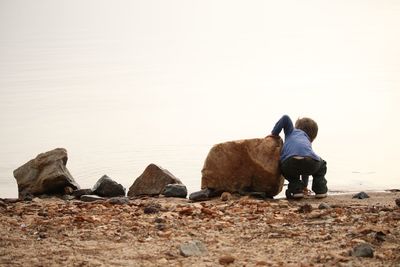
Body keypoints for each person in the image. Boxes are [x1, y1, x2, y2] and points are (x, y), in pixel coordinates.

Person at [269, 115, 327, 199]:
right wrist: (305, 185)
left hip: (289, 163)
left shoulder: (290, 131)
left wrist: (274, 134)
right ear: (312, 136)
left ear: (297, 126)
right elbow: (305, 166)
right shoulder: (305, 139)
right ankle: (320, 190)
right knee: (322, 165)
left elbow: (285, 118)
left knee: (289, 172)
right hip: (310, 162)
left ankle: (296, 191)